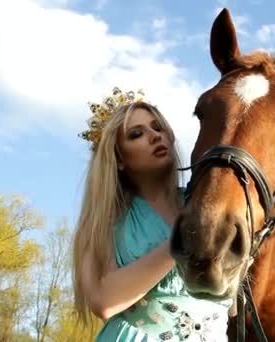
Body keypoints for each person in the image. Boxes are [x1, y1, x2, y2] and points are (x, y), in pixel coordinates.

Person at [72, 87, 232, 341]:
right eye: (136, 134)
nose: (154, 136)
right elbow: (103, 301)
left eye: (158, 128)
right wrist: (182, 239)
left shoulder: (206, 205)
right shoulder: (102, 224)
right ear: (118, 158)